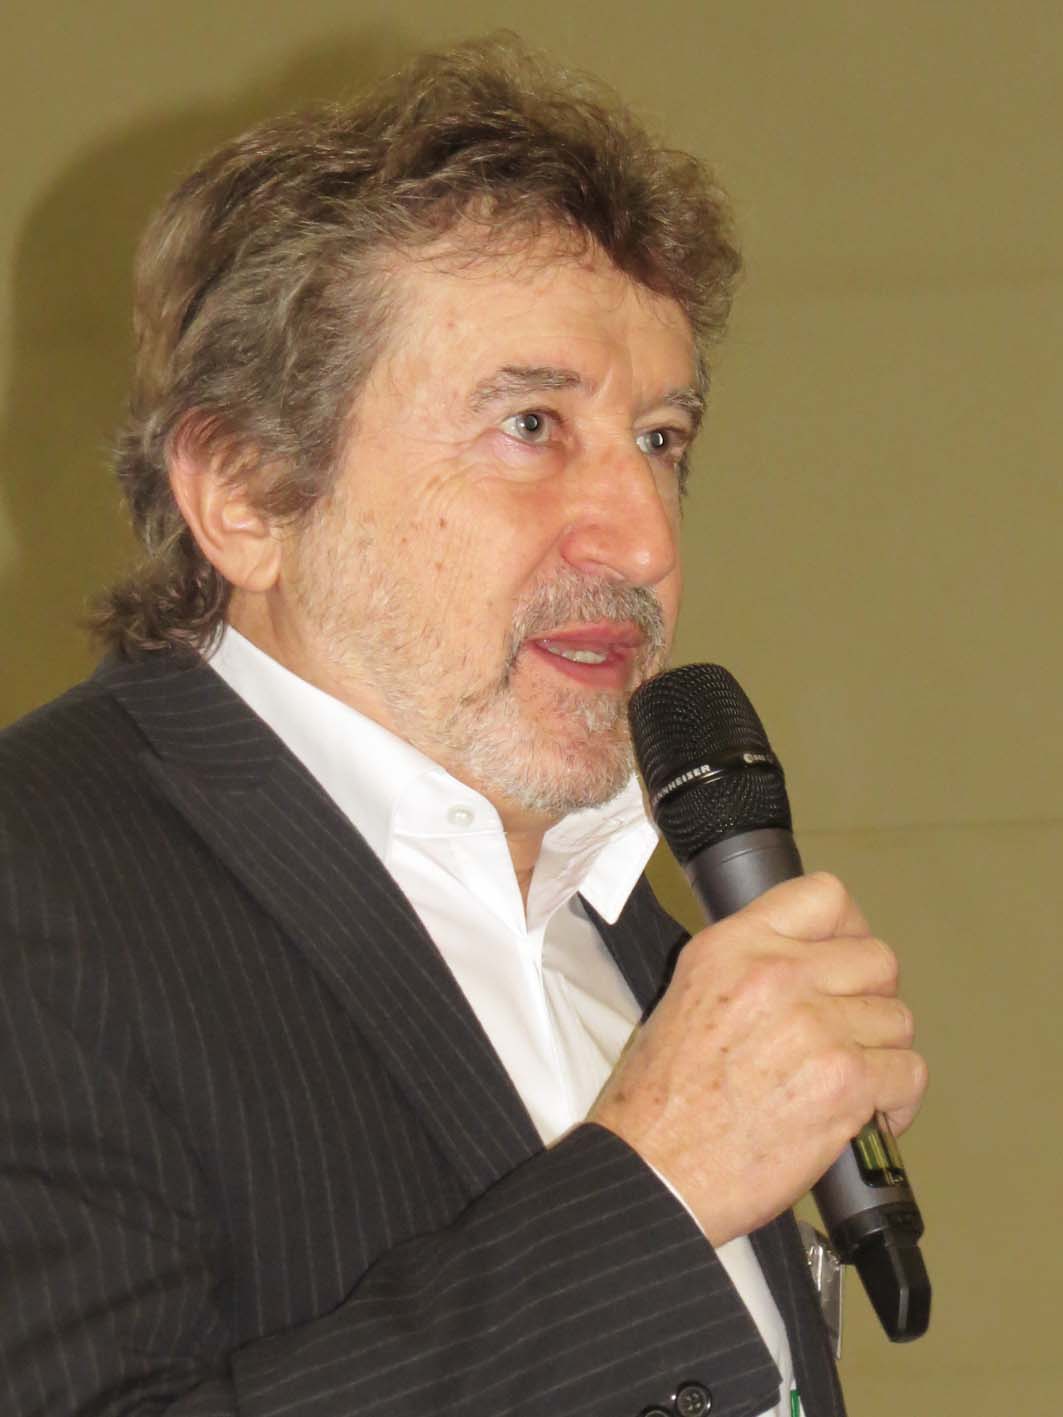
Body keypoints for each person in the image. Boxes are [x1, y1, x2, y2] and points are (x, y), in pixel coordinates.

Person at [0, 35, 926, 1417]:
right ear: (246, 493)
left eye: (661, 438)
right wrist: (661, 1185)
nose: (643, 537)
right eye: (532, 424)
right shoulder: (37, 886)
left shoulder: (634, 934)